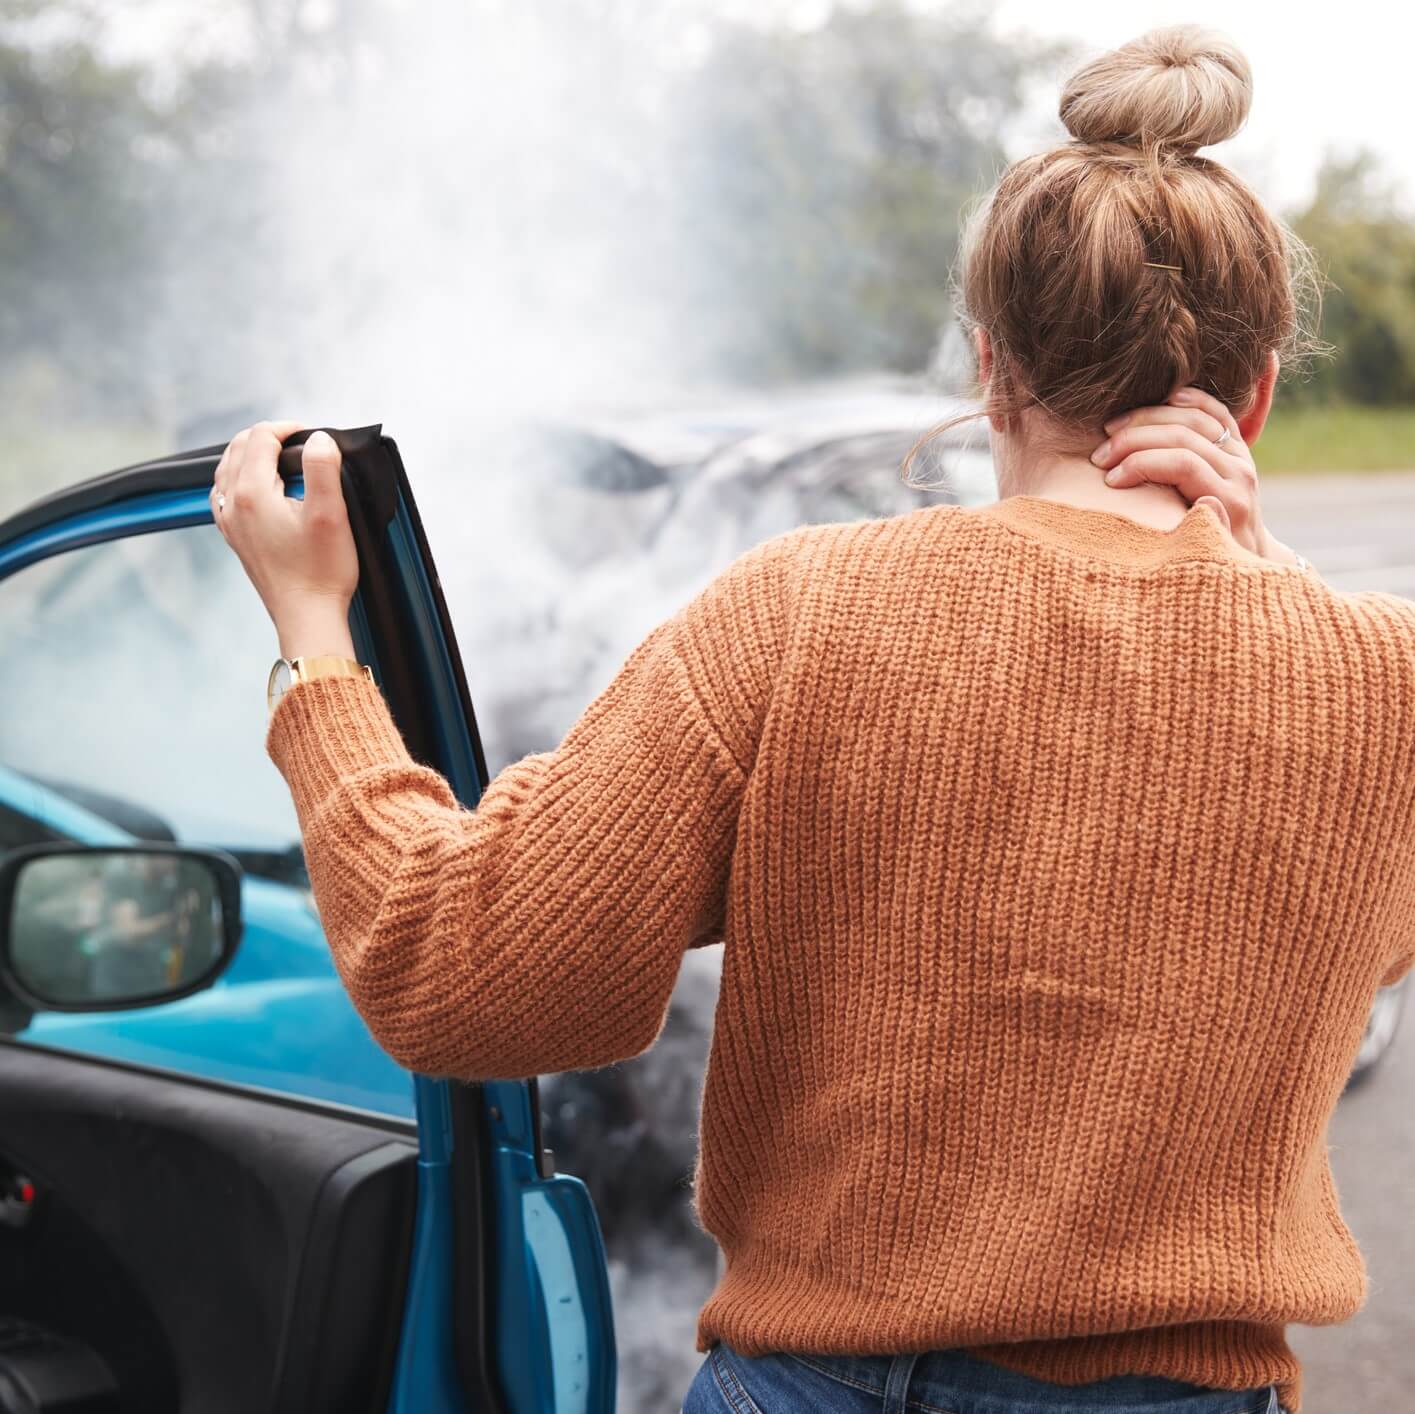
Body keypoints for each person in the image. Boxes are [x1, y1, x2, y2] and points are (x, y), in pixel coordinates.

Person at [211, 26, 1413, 1414]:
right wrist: (1264, 578)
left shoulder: (799, 608)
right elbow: (1357, 935)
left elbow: (458, 970)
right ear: (1257, 395)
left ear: (989, 370)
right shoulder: (1381, 682)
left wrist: (316, 642)